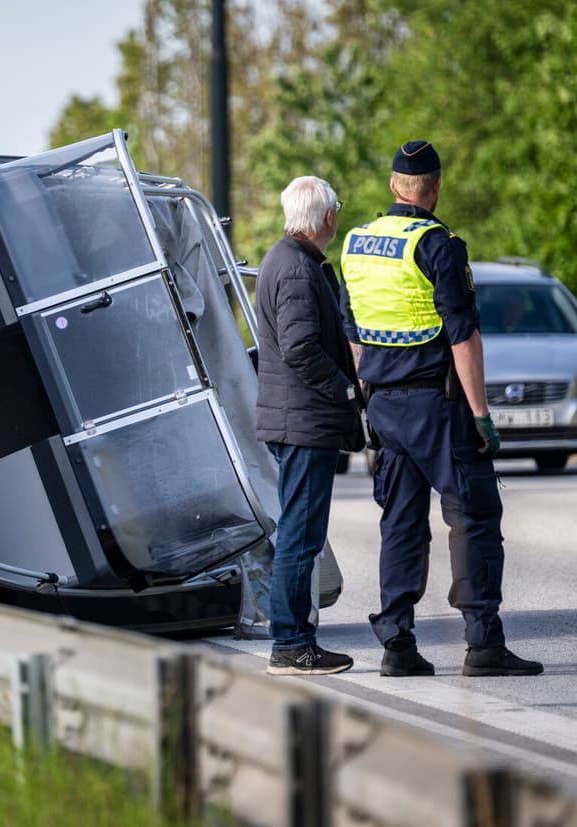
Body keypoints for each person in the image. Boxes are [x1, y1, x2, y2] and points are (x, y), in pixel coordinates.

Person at [339, 140, 543, 678]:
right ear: (436, 187)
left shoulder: (357, 242)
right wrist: (482, 415)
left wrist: (369, 400)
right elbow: (463, 335)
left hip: (383, 406)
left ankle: (397, 647)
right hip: (439, 407)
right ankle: (483, 646)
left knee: (401, 524)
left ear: (393, 186)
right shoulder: (440, 244)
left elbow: (353, 333)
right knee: (474, 518)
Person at [254, 176, 362, 676]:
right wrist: (345, 387)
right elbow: (300, 349)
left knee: (299, 532)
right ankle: (292, 643)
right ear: (327, 218)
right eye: (335, 209)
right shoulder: (298, 268)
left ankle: (293, 641)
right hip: (304, 422)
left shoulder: (287, 258)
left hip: (295, 419)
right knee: (300, 535)